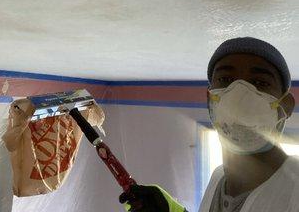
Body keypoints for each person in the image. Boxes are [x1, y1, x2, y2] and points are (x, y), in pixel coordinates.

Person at [119, 37, 299, 212]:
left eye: (260, 82)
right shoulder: (219, 178)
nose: (239, 95)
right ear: (209, 99)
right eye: (225, 80)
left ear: (286, 105)